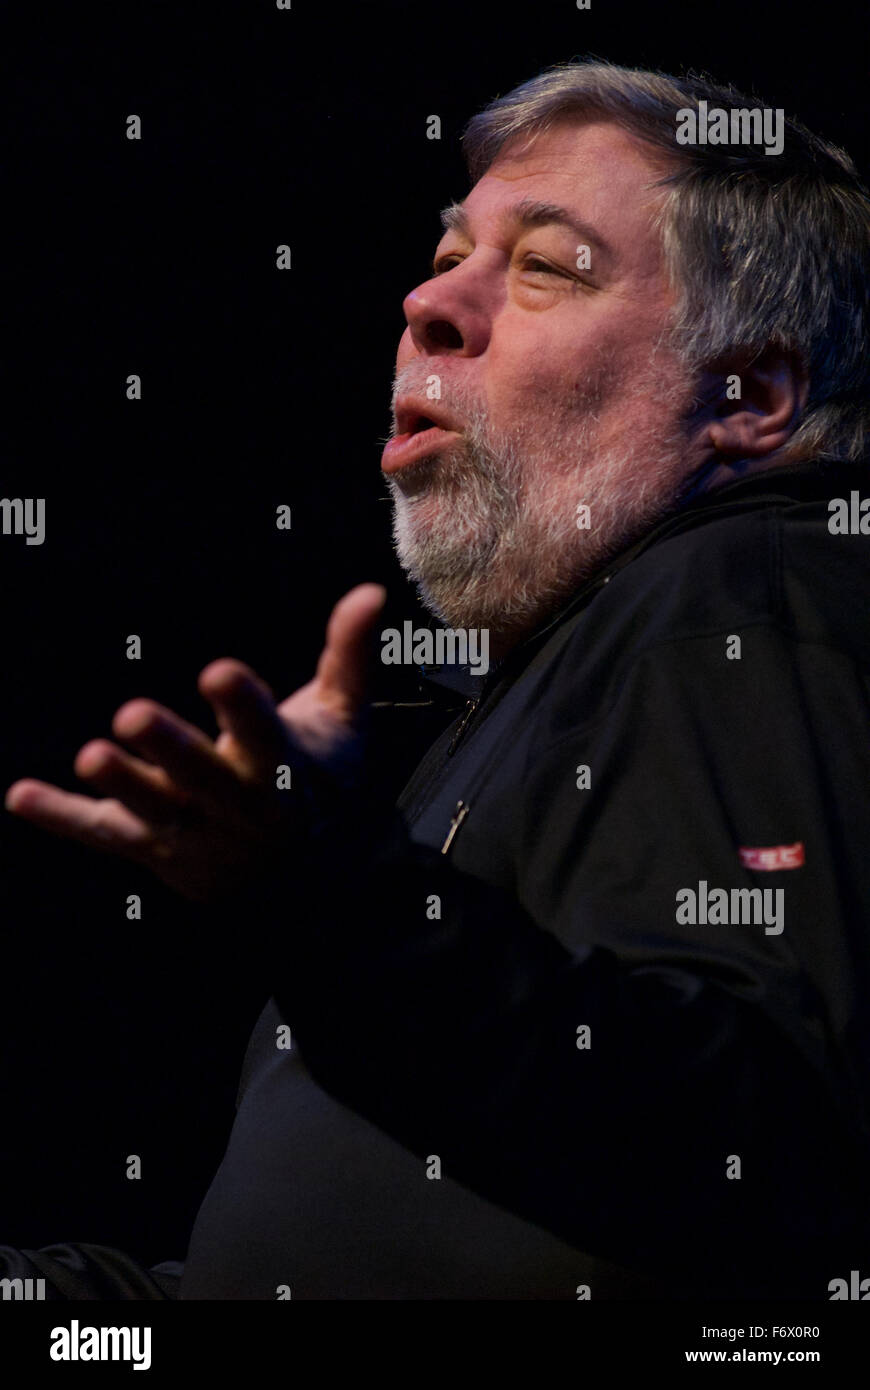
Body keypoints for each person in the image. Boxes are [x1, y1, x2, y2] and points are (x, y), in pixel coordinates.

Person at [5, 59, 870, 1300]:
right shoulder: (572, 673)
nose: (427, 301)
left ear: (752, 395)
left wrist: (323, 900)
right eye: (452, 251)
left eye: (548, 267)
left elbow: (764, 1153)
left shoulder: (745, 588)